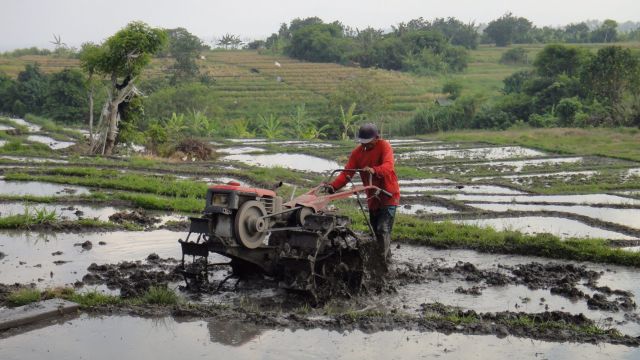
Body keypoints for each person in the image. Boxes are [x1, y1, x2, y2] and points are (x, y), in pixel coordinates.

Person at [324, 123, 400, 262]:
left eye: (368, 143)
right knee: (375, 231)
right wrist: (333, 186)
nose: (365, 146)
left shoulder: (384, 146)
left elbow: (388, 166)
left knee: (383, 229)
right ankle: (384, 258)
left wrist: (374, 170)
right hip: (373, 196)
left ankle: (382, 262)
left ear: (376, 138)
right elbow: (347, 173)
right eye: (363, 143)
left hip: (388, 194)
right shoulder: (357, 153)